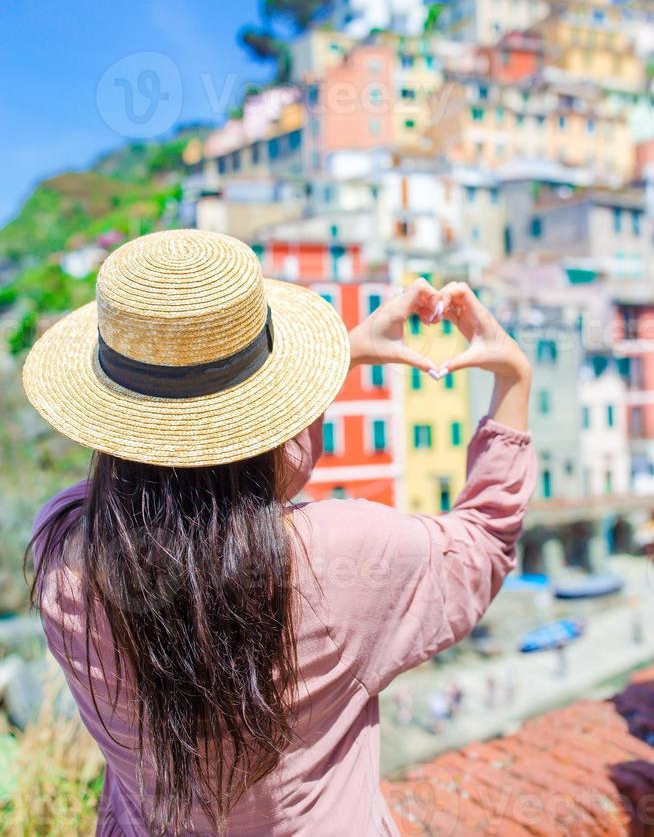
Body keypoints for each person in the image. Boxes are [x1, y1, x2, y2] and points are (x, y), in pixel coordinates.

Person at [23, 231, 536, 837]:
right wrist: (514, 376)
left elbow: (152, 493)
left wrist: (268, 383)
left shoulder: (65, 554)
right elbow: (481, 542)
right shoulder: (340, 559)